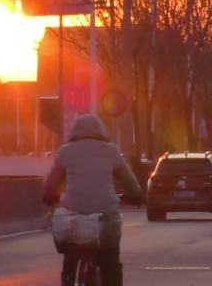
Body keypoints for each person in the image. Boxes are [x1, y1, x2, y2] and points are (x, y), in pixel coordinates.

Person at [44, 114, 142, 286]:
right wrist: (136, 195)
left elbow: (52, 183)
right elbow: (130, 183)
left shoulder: (66, 151)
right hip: (105, 217)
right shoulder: (111, 150)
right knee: (111, 261)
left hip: (73, 216)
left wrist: (49, 196)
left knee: (70, 252)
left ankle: (68, 276)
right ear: (101, 131)